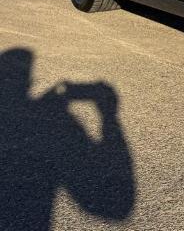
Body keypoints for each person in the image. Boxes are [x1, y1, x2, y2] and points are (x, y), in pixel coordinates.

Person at [0, 48, 135, 229]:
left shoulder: (40, 112)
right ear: (29, 82)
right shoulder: (53, 118)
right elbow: (117, 207)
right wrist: (108, 115)